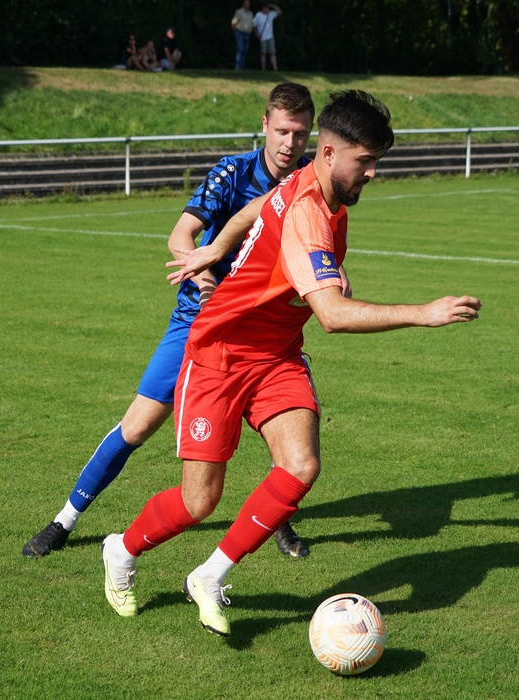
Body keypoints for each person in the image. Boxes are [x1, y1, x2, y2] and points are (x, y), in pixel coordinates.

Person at [100, 90, 482, 636]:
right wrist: (424, 312)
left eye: (377, 161)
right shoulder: (308, 212)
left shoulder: (308, 183)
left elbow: (255, 208)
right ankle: (121, 549)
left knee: (300, 465)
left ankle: (208, 577)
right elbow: (332, 316)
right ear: (329, 153)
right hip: (220, 356)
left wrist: (217, 247)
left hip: (277, 356)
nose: (373, 173)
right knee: (198, 501)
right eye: (365, 161)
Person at [23, 83, 319, 560]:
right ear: (265, 124)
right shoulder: (232, 173)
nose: (290, 143)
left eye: (300, 134)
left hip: (260, 331)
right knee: (138, 426)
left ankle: (279, 522)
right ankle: (64, 519)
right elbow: (182, 235)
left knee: (286, 431)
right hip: (197, 320)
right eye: (282, 131)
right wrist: (204, 283)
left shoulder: (309, 181)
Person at [253, 3, 281, 71]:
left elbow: (279, 12)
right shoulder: (258, 15)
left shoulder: (271, 14)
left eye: (268, 8)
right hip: (262, 37)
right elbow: (254, 26)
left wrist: (273, 6)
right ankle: (263, 68)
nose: (267, 9)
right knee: (263, 53)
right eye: (266, 8)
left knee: (273, 53)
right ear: (262, 8)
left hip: (270, 36)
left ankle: (275, 68)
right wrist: (257, 34)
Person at [231, 1, 254, 70]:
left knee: (245, 51)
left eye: (249, 4)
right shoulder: (239, 12)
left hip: (247, 34)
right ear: (243, 4)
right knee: (240, 49)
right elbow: (233, 22)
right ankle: (238, 67)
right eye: (246, 4)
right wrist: (235, 32)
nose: (248, 5)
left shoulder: (250, 13)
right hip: (240, 33)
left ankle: (242, 67)